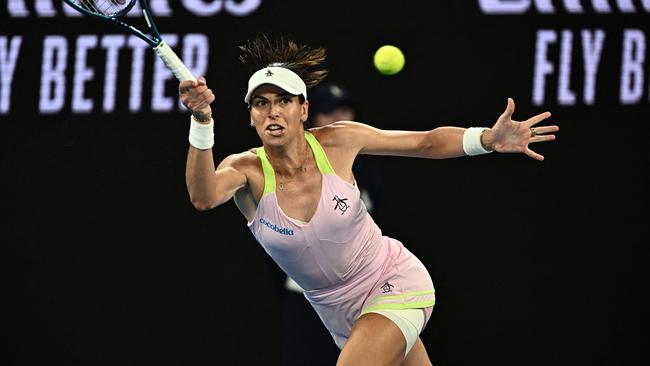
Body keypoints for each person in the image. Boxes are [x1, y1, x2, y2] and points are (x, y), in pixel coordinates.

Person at [179, 33, 558, 366]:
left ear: (303, 110)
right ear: (251, 116)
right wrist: (201, 120)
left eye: (284, 100)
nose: (273, 111)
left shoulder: (339, 140)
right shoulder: (245, 170)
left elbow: (424, 142)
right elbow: (203, 196)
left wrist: (486, 140)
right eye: (261, 103)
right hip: (336, 313)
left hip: (392, 281)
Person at [267, 81, 388, 365]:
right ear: (311, 120)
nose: (340, 121)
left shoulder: (367, 175)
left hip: (363, 300)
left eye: (346, 111)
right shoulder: (285, 175)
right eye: (330, 114)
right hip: (306, 302)